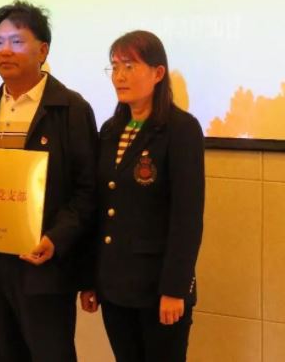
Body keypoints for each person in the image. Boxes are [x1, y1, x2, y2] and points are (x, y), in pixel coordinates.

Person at [0, 0, 96, 362]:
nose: (5, 51)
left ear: (42, 50)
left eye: (16, 42)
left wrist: (55, 238)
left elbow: (87, 191)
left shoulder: (70, 109)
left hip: (43, 264)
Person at [80, 30, 204, 362]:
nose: (119, 76)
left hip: (158, 288)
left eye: (129, 66)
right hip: (114, 286)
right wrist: (90, 279)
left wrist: (175, 289)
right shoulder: (111, 130)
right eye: (114, 67)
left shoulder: (181, 129)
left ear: (158, 73)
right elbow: (99, 210)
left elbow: (187, 217)